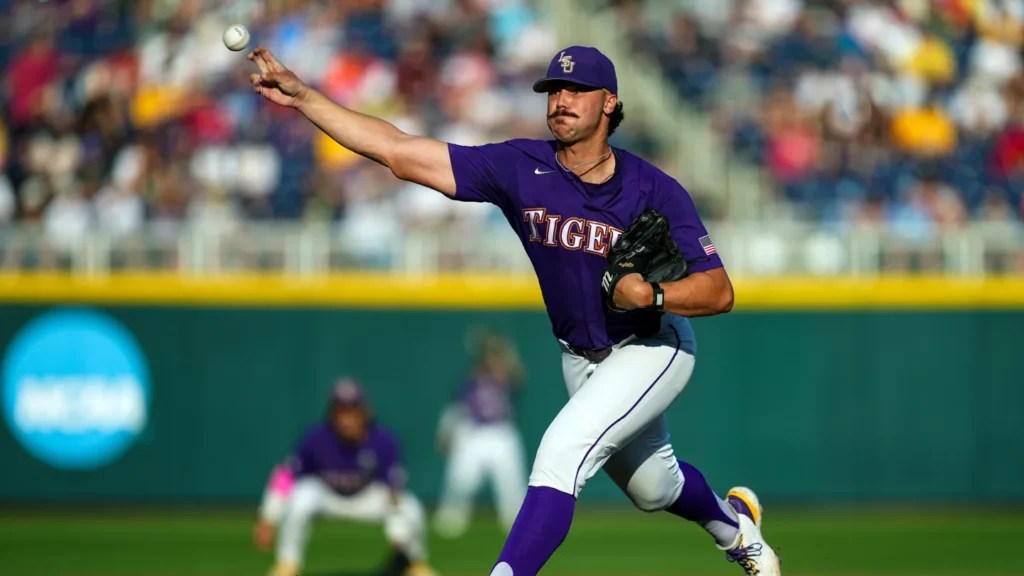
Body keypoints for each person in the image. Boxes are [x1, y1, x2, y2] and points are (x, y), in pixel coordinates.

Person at [247, 44, 781, 576]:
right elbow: (401, 151)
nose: (561, 100)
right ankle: (738, 528)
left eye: (576, 90)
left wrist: (655, 296)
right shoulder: (521, 167)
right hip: (582, 355)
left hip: (652, 344)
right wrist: (306, 99)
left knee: (560, 453)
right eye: (553, 90)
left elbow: (719, 291)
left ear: (611, 104)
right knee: (653, 488)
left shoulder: (654, 190)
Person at [253, 378, 436, 576]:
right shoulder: (317, 438)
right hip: (327, 496)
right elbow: (286, 475)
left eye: (353, 410)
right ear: (332, 413)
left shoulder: (383, 440)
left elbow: (394, 489)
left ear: (365, 412)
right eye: (341, 411)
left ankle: (414, 564)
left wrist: (397, 530)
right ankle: (287, 565)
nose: (347, 418)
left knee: (411, 507)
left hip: (366, 497)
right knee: (300, 497)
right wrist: (268, 517)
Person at [433, 331, 528, 538]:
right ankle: (452, 519)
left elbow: (519, 376)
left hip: (502, 433)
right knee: (461, 481)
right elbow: (457, 407)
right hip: (474, 433)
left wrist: (506, 354)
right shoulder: (471, 379)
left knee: (511, 486)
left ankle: (516, 525)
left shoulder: (506, 377)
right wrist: (447, 432)